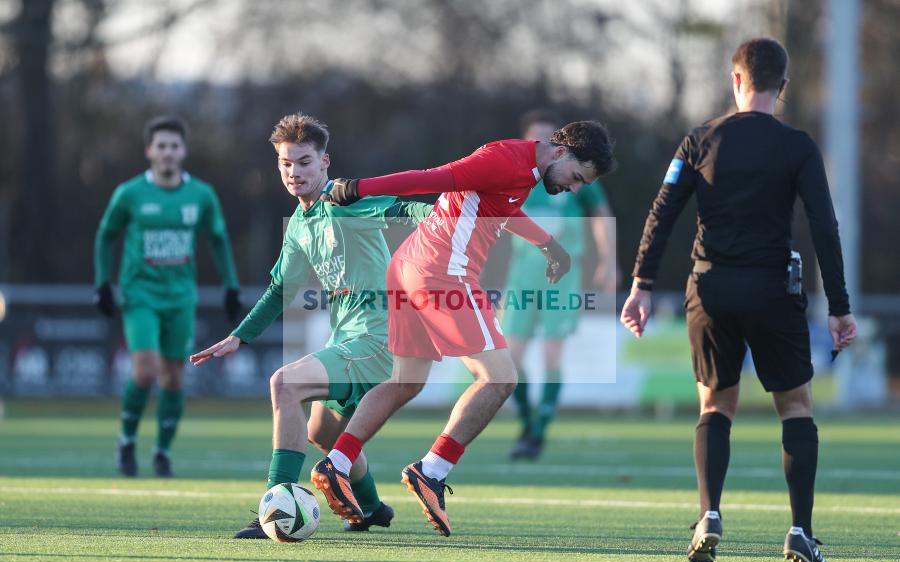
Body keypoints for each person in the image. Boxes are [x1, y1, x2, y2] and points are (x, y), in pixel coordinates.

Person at [310, 121, 616, 536]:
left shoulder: (525, 167)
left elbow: (503, 209)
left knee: (406, 381)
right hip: (443, 273)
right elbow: (431, 178)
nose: (575, 188)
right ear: (561, 153)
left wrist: (547, 243)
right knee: (500, 378)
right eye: (577, 178)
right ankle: (431, 471)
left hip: (410, 268)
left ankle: (338, 462)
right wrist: (359, 187)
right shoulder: (505, 159)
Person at [620, 38, 857, 562]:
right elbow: (824, 226)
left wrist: (640, 284)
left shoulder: (698, 140)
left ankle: (709, 515)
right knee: (795, 408)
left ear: (735, 80)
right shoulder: (798, 146)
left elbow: (662, 212)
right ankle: (800, 531)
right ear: (783, 87)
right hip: (774, 289)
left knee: (715, 406)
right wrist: (839, 307)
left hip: (711, 288)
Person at [189, 113, 433, 537]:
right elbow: (280, 291)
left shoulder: (346, 200)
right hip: (349, 337)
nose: (294, 172)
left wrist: (438, 218)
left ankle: (275, 503)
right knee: (323, 432)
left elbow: (405, 206)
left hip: (380, 334)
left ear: (325, 163)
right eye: (286, 163)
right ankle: (371, 508)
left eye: (304, 162)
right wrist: (238, 337)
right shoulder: (300, 225)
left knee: (284, 383)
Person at [94, 115, 242, 478]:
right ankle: (127, 441)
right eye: (160, 146)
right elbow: (105, 235)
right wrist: (102, 283)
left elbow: (218, 239)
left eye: (174, 146)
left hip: (180, 298)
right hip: (140, 294)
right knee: (144, 371)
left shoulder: (201, 195)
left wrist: (231, 284)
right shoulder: (129, 194)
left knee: (174, 380)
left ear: (183, 151)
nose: (167, 153)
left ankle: (161, 451)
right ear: (149, 151)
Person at [505, 109, 621, 461]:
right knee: (510, 358)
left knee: (552, 353)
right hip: (522, 273)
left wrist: (608, 260)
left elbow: (601, 215)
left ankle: (538, 432)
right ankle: (528, 422)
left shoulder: (575, 175)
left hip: (562, 277)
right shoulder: (517, 176)